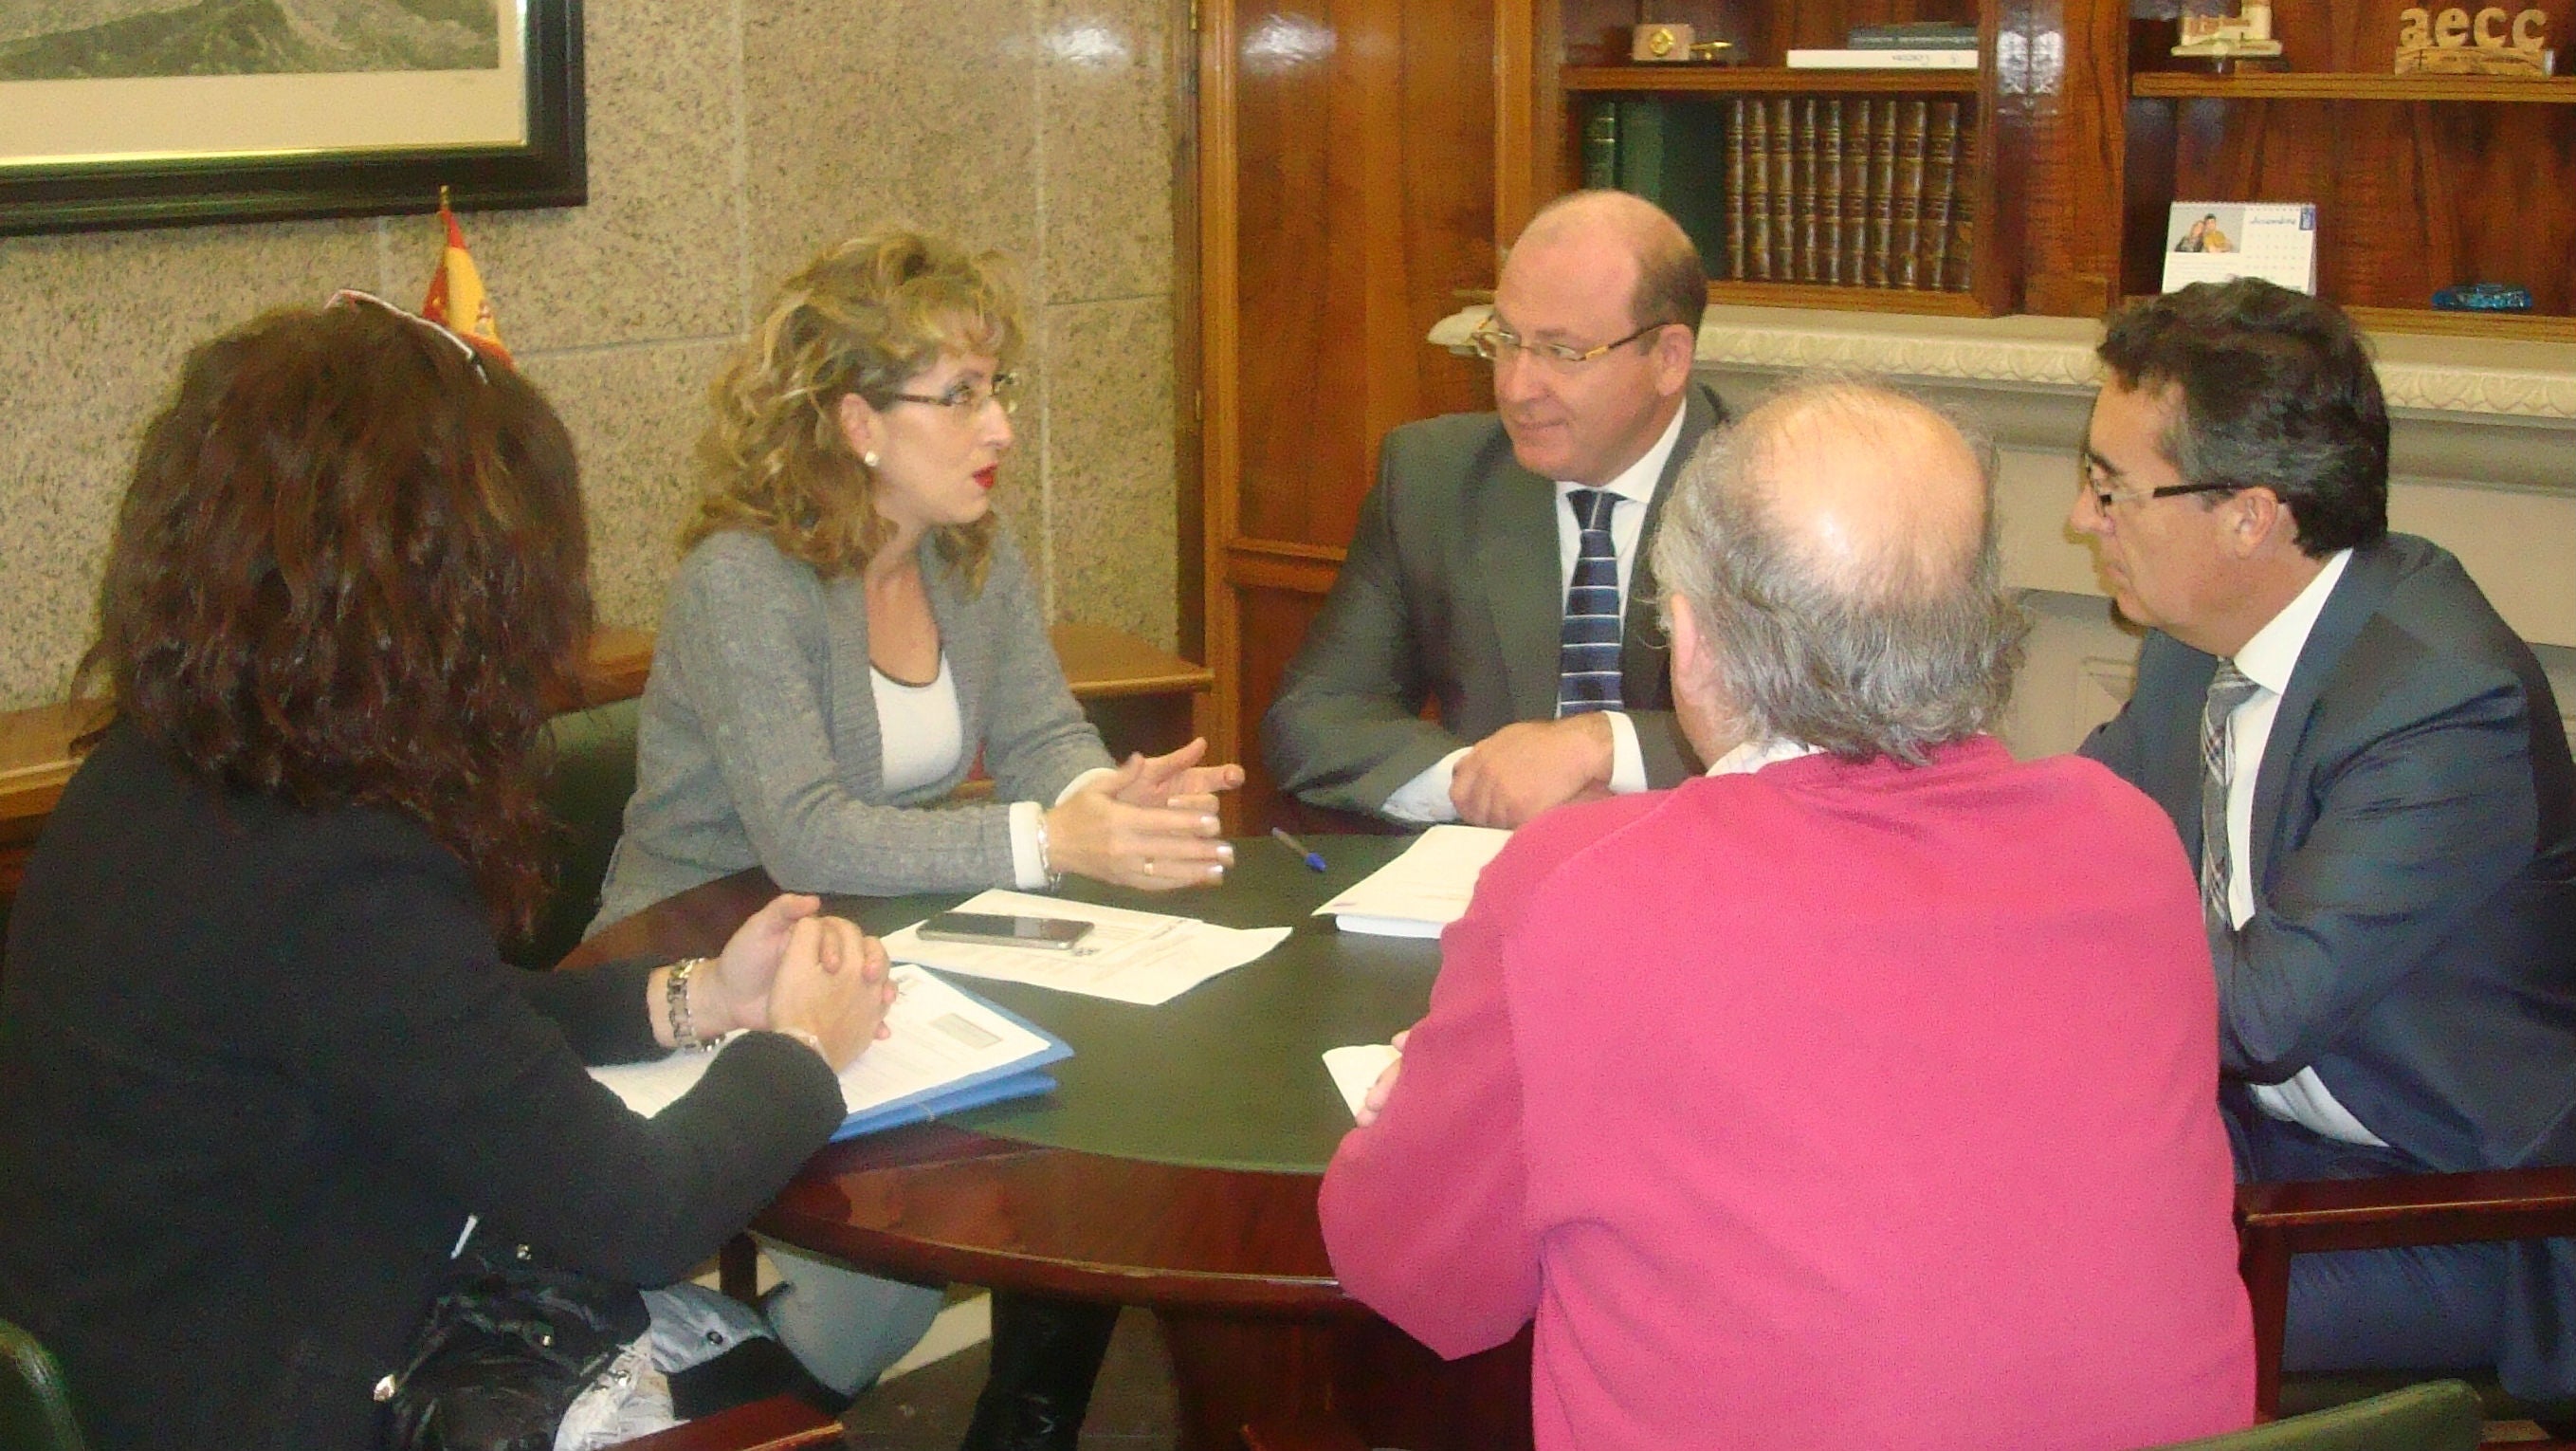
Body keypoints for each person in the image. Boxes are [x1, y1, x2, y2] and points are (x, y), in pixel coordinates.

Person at [0, 296, 897, 1451]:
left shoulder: (167, 774)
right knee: (763, 1379)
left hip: (141, 1363)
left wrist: (697, 999)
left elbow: (436, 1026)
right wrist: (801, 1047)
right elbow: (644, 1212)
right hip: (266, 1401)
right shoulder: (333, 868)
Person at [1319, 376, 2256, 1451]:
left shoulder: (1583, 888)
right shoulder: (2127, 844)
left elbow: (1422, 1281)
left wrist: (1415, 1108)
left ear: (1695, 639)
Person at [592, 229, 1240, 1450]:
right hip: (696, 971)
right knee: (881, 1295)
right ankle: (698, 1418)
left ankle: (1020, 1419)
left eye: (1000, 391)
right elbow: (806, 835)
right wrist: (1050, 842)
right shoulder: (744, 582)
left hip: (880, 961)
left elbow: (1047, 736)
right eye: (964, 397)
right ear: (857, 423)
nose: (999, 429)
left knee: (1064, 1137)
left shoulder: (968, 558)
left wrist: (1108, 800)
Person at [2074, 278, 2576, 1399]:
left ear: (2248, 515)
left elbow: (2256, 1013)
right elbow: (2067, 822)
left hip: (2464, 1209)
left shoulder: (2441, 705)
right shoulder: (2194, 640)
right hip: (2265, 1152)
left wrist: (2061, 914)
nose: (2081, 519)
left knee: (2068, 1313)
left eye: (2111, 489)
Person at [1260, 190, 1726, 828]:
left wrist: (1598, 747)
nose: (1515, 387)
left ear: (1667, 359)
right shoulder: (1434, 478)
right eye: (1506, 340)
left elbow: (1826, 746)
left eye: (1561, 353)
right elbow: (1316, 715)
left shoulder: (1775, 498)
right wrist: (1479, 781)